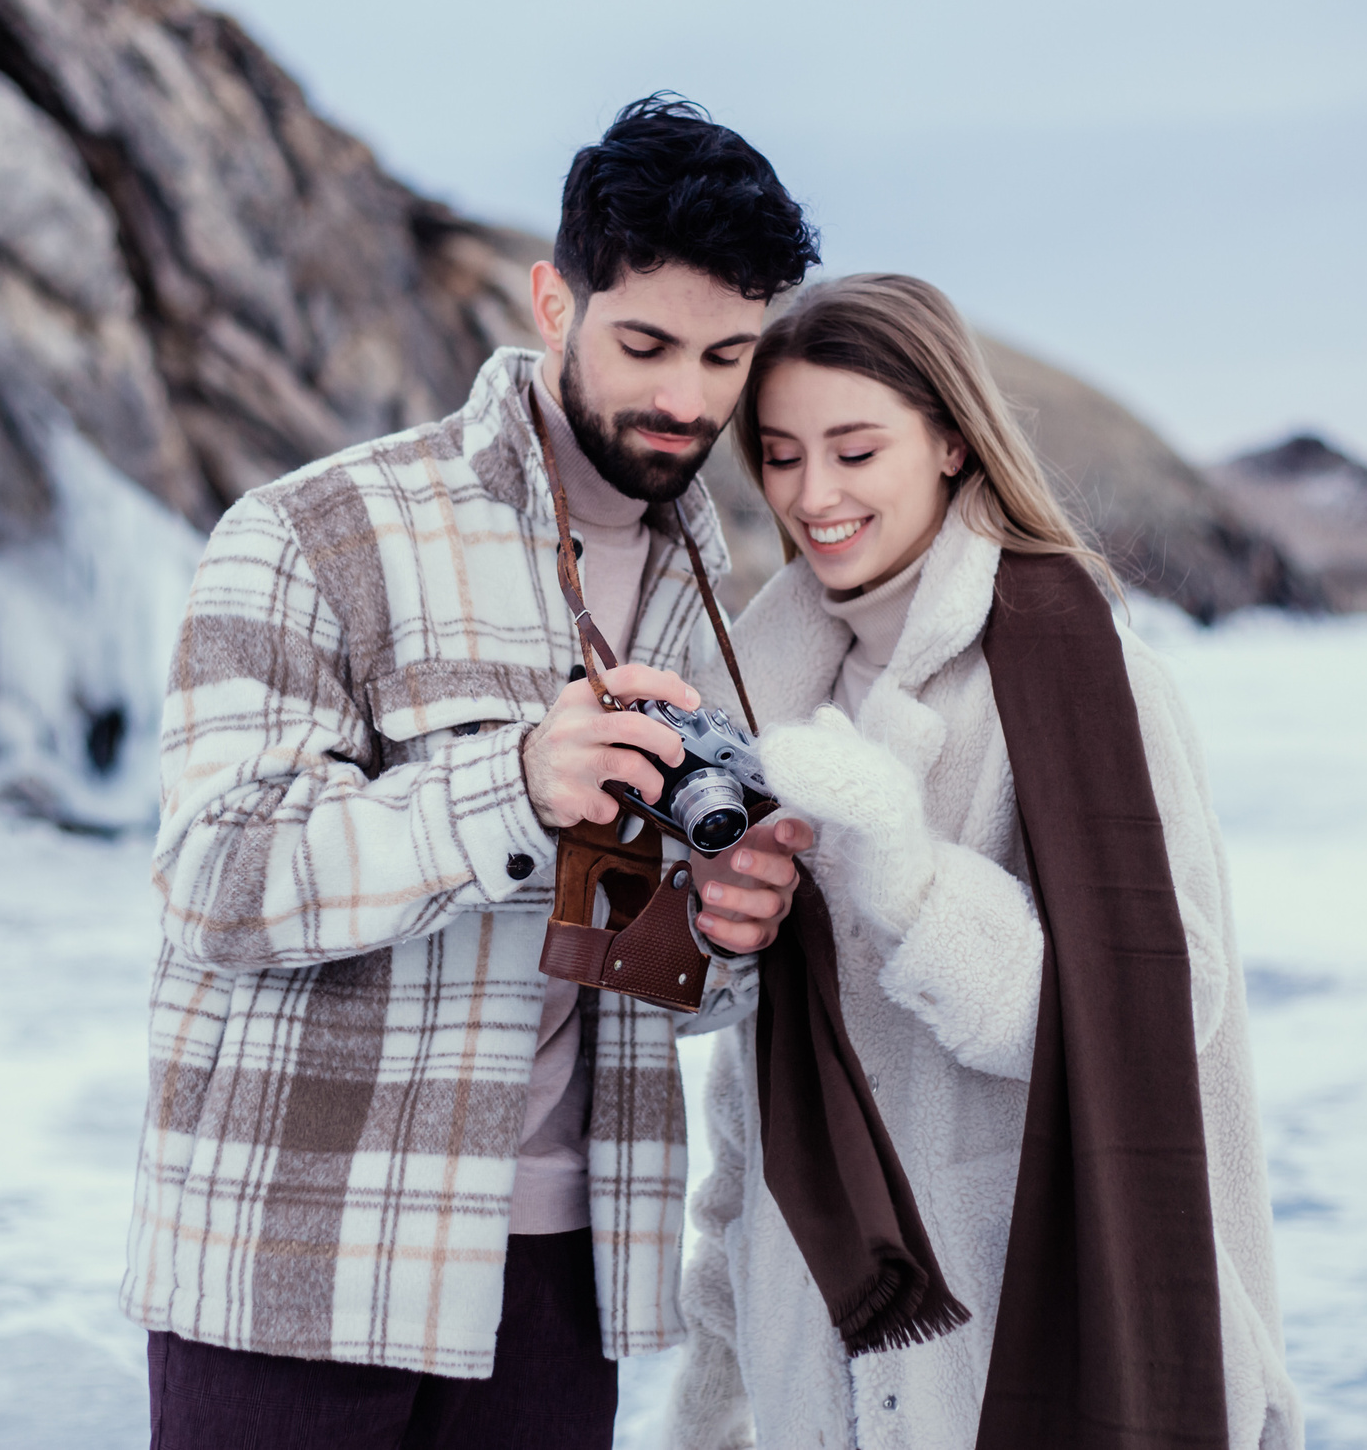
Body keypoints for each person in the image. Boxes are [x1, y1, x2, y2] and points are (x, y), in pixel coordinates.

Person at [125, 95, 822, 1450]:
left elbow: (620, 961)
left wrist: (725, 937)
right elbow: (217, 880)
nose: (687, 397)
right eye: (647, 343)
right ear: (553, 302)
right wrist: (514, 786)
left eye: (728, 355)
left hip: (563, 1269)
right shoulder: (315, 530)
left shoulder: (713, 596)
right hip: (297, 1257)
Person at [669, 274, 1303, 1450]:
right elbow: (758, 1090)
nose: (815, 496)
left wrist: (911, 886)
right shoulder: (756, 694)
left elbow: (1170, 1007)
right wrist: (714, 1378)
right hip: (811, 1347)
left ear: (954, 441)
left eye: (856, 450)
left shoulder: (1085, 676)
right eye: (783, 454)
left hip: (1020, 1320)